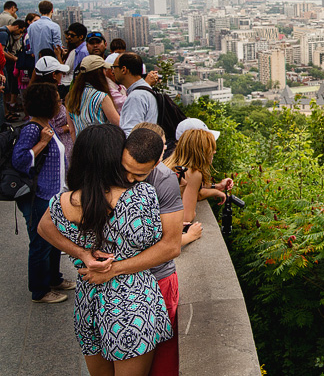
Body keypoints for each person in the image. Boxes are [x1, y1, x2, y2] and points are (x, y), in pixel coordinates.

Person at [40, 124, 187, 375]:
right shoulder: (142, 196)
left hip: (88, 299)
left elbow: (44, 228)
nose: (130, 177)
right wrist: (114, 267)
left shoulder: (65, 201)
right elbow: (165, 245)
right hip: (132, 302)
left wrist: (82, 253)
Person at [11, 83, 73, 303]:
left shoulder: (47, 125)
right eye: (57, 101)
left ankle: (54, 278)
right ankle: (40, 290)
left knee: (55, 239)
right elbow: (19, 160)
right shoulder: (33, 129)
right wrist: (42, 143)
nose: (60, 104)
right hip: (39, 195)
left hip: (53, 194)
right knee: (40, 242)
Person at [163, 119, 233, 223]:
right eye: (209, 148)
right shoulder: (192, 173)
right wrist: (193, 214)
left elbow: (192, 192)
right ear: (200, 151)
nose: (214, 151)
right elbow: (186, 218)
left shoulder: (172, 164)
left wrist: (216, 187)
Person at [32, 56, 76, 167]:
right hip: (57, 152)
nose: (63, 75)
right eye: (60, 72)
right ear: (54, 75)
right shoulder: (47, 98)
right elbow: (47, 129)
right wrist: (66, 127)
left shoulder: (37, 93)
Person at [65, 55, 120, 135]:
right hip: (101, 144)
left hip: (80, 144)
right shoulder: (102, 97)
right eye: (104, 70)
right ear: (99, 73)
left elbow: (72, 130)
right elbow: (118, 123)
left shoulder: (71, 96)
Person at [115, 52, 158, 135]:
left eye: (114, 67)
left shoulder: (135, 97)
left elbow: (130, 133)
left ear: (123, 70)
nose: (113, 71)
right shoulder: (146, 90)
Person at [1, 19, 26, 116]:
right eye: (20, 31)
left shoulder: (4, 32)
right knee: (4, 88)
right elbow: (2, 51)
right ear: (16, 26)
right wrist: (14, 58)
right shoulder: (4, 34)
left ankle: (7, 111)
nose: (19, 33)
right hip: (2, 65)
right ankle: (6, 113)